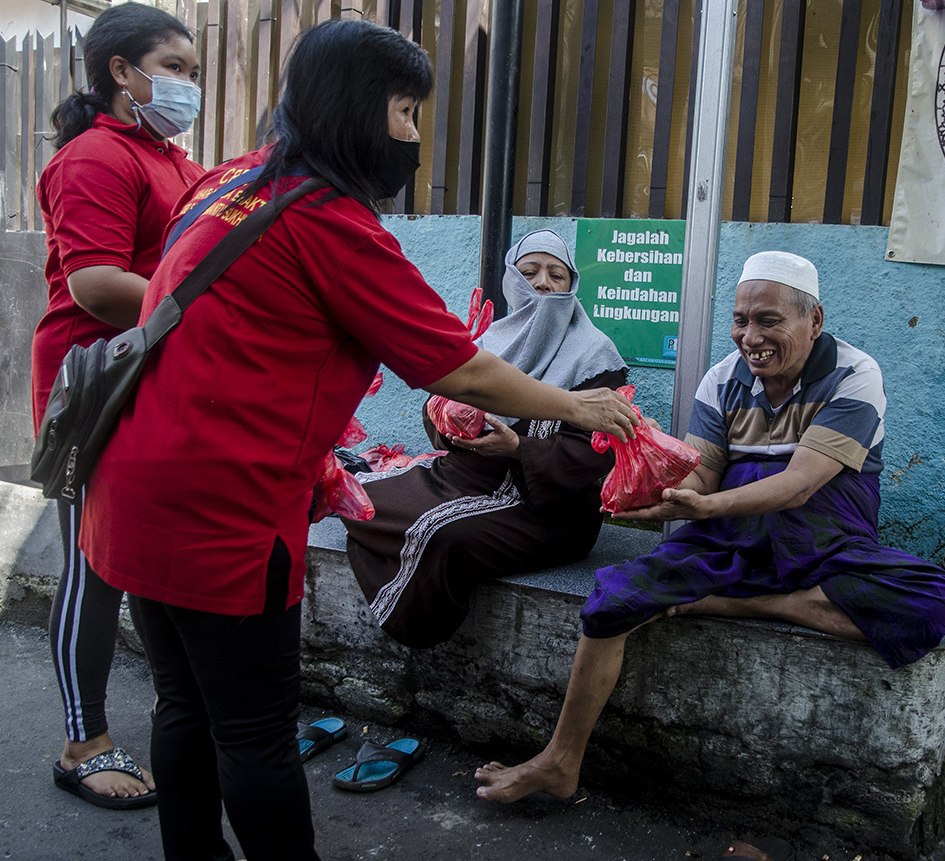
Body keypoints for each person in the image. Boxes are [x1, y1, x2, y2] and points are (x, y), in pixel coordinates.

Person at [78, 19, 636, 861]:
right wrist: (581, 409)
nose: (413, 135)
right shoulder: (331, 223)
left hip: (136, 482)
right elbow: (458, 368)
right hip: (224, 511)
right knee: (257, 730)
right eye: (406, 111)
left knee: (183, 706)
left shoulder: (229, 183)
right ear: (357, 111)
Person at [474, 250, 945, 803]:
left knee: (936, 599)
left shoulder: (855, 374)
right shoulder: (720, 380)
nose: (749, 337)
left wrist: (704, 508)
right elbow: (701, 478)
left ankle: (747, 603)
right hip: (728, 541)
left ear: (815, 321)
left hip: (825, 544)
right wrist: (652, 465)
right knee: (610, 600)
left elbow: (801, 483)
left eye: (768, 320)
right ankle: (560, 761)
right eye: (740, 320)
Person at [32, 2, 205, 810]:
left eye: (194, 72)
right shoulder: (96, 157)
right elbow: (96, 285)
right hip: (91, 378)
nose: (187, 86)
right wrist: (203, 312)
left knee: (140, 554)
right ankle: (81, 741)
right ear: (121, 73)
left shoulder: (169, 157)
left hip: (148, 371)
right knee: (94, 567)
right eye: (175, 68)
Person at [342, 229, 628, 648]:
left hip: (545, 511)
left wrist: (517, 447)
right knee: (355, 501)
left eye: (556, 274)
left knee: (438, 536)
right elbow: (440, 422)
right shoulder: (485, 344)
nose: (544, 283)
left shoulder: (597, 358)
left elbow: (597, 459)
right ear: (513, 280)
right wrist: (449, 415)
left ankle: (416, 627)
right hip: (459, 479)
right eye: (530, 272)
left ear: (572, 284)